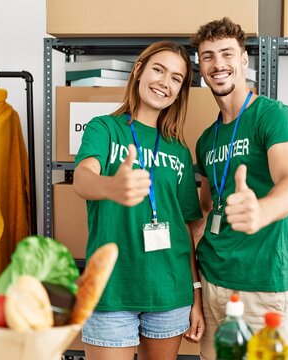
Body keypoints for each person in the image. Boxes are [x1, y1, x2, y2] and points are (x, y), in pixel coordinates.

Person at [73, 41, 204, 360]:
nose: (165, 82)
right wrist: (111, 186)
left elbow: (188, 228)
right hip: (111, 290)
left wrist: (196, 296)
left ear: (180, 90)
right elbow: (83, 177)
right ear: (138, 71)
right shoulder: (104, 128)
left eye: (176, 78)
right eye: (158, 70)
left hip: (170, 292)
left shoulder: (179, 150)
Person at [190, 17, 288, 359]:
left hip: (260, 284)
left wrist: (261, 211)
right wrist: (194, 286)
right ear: (200, 67)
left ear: (244, 59)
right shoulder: (205, 140)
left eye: (227, 53)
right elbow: (207, 209)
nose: (218, 64)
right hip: (212, 281)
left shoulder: (274, 116)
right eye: (208, 56)